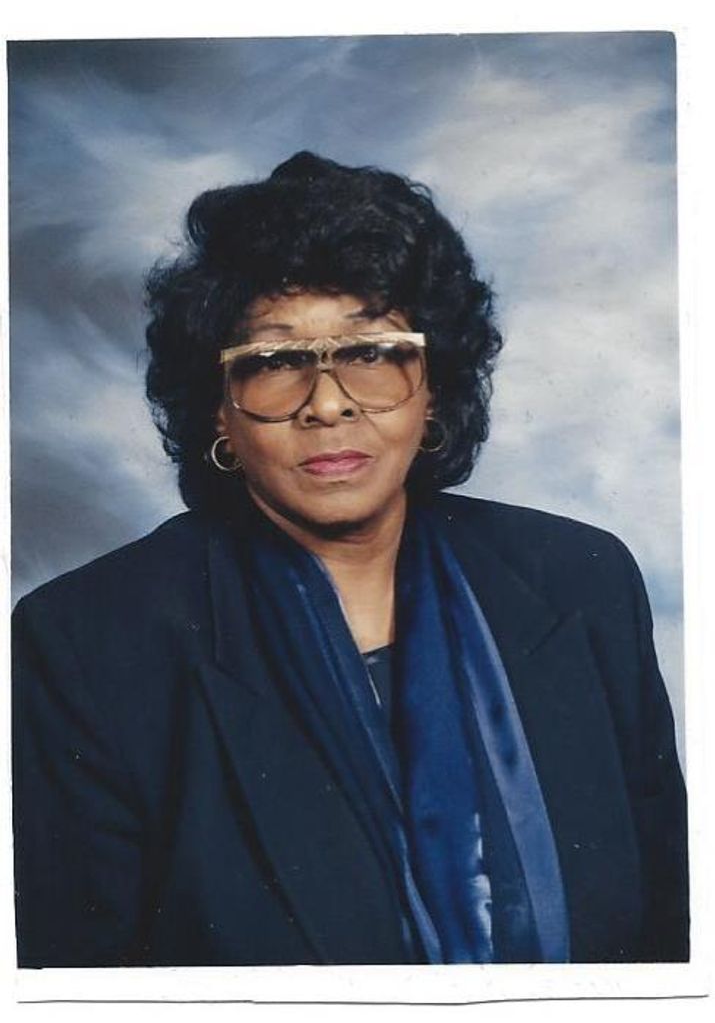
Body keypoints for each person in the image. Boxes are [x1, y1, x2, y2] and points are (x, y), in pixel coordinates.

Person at [12, 151, 688, 968]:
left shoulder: (580, 580)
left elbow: (670, 944)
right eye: (273, 362)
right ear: (219, 412)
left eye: (371, 352)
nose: (327, 404)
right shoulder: (88, 644)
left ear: (431, 387)